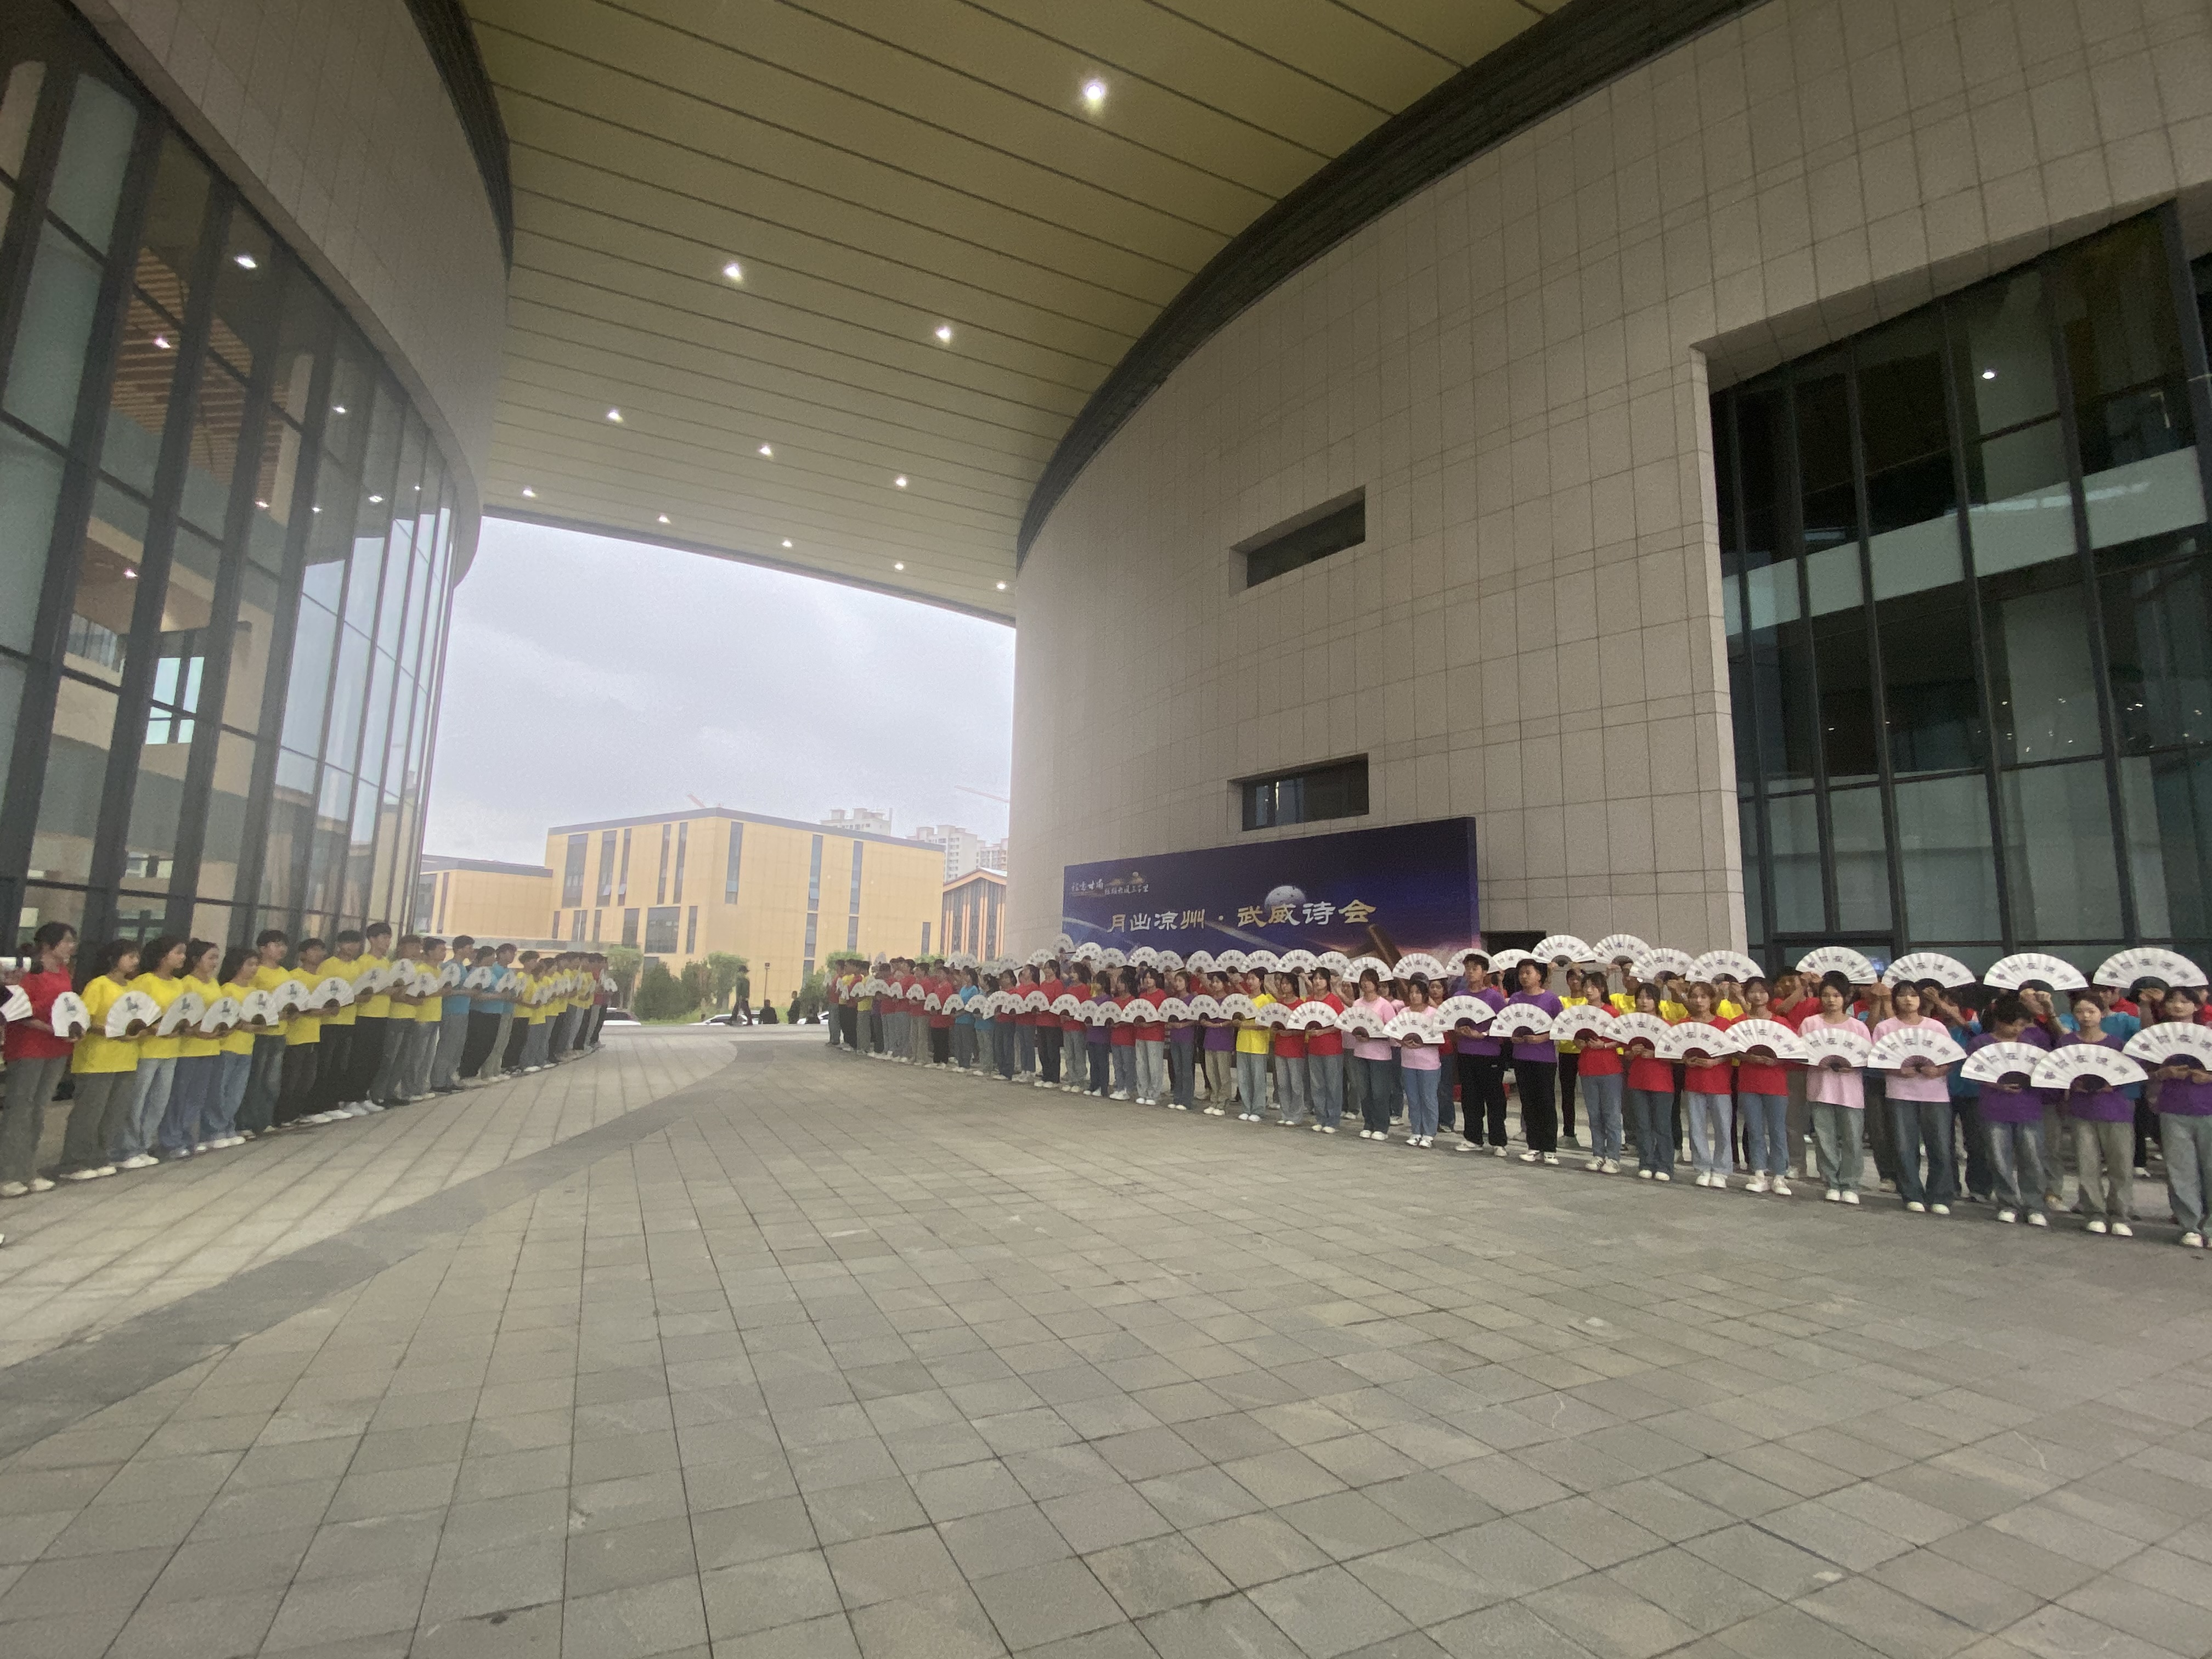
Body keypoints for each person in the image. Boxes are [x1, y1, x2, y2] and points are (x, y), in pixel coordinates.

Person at [0, 922, 78, 1196]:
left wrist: (71, 1028)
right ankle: (8, 1174)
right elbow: (18, 1012)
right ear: (47, 944)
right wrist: (52, 1028)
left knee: (38, 1112)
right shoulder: (29, 972)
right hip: (28, 1048)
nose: (71, 946)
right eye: (67, 941)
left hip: (56, 1049)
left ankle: (28, 1170)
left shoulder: (64, 971)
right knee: (20, 1111)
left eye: (73, 941)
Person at [56, 939, 142, 1180]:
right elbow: (84, 1021)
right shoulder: (98, 985)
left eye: (137, 957)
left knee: (114, 1113)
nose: (135, 961)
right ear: (114, 959)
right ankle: (74, 1162)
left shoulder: (133, 988)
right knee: (89, 1113)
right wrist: (112, 1031)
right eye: (130, 956)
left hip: (126, 1058)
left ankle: (100, 1156)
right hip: (98, 1059)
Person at [1966, 994, 2050, 1227]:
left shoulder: (2030, 1044)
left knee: (2032, 1159)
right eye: (2014, 1024)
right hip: (1994, 1109)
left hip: (2029, 1108)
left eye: (2022, 1025)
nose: (2018, 1030)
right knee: (1999, 1159)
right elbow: (1972, 1073)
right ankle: (2007, 1203)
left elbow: (2043, 1073)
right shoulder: (1980, 1044)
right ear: (2000, 1021)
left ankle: (2034, 1206)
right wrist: (1996, 1085)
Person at [1874, 981, 1957, 1215]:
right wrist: (1898, 1070)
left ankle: (1940, 1196)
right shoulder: (1885, 1028)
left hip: (1935, 1094)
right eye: (1902, 996)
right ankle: (1911, 1194)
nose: (1908, 1000)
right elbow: (1879, 1060)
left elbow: (1950, 1058)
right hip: (1900, 1093)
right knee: (1904, 1146)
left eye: (1913, 995)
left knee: (1940, 1146)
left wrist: (1939, 1071)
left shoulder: (1936, 1027)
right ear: (1894, 1000)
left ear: (1921, 1000)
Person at [2061, 992, 2135, 1237]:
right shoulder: (2066, 1044)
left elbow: (2128, 1076)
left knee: (2121, 1165)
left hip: (2116, 1111)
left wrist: (2113, 1085)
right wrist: (2072, 1084)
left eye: (2091, 1011)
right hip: (2081, 1111)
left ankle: (2120, 1214)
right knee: (2087, 1164)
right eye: (2080, 1012)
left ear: (2102, 1013)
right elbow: (2059, 1073)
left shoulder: (2116, 1045)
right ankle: (2094, 1212)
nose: (2085, 1016)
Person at [117, 935, 191, 1166]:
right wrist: (151, 1028)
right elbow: (133, 1014)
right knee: (137, 1100)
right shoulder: (145, 981)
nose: (183, 957)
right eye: (178, 952)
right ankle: (128, 1148)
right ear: (162, 956)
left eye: (184, 953)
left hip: (171, 1049)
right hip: (147, 1050)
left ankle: (145, 1144)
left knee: (159, 1101)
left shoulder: (178, 984)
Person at [2148, 986, 2211, 1249]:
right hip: (2172, 1109)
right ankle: (2190, 1226)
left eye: (2185, 1001)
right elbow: (2141, 1070)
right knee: (2180, 1170)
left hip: (2208, 1109)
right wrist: (2162, 1074)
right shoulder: (2156, 1037)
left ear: (2197, 1006)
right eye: (2172, 1001)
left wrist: (2208, 1077)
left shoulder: (2208, 1033)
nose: (2178, 1005)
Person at [157, 939, 225, 1158]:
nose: (215, 962)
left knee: (197, 1098)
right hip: (188, 1049)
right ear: (197, 960)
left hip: (210, 1047)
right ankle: (171, 1140)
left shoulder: (213, 983)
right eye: (211, 957)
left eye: (217, 958)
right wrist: (196, 1030)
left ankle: (187, 1138)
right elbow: (181, 1017)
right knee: (179, 1097)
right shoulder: (187, 983)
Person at [1805, 978, 1871, 1204]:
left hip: (1850, 1091)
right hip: (1820, 1088)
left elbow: (1866, 1057)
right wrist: (1817, 1062)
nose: (1831, 1000)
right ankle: (1831, 1182)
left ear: (1846, 998)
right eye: (1826, 995)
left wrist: (1853, 1065)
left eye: (1836, 996)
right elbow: (1802, 1053)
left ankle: (1851, 1184)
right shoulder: (1810, 1024)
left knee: (1853, 1139)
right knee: (1824, 1138)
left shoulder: (1858, 1027)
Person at [1733, 978, 1791, 1195]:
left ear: (1770, 995)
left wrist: (1776, 1061)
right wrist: (1747, 1057)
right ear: (1746, 994)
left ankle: (1780, 1176)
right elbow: (1731, 1048)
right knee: (1754, 1130)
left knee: (1778, 1130)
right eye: (1753, 991)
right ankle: (1758, 1173)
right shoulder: (1739, 1022)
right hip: (1748, 1082)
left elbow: (1792, 1051)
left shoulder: (1781, 1023)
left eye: (1762, 992)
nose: (1758, 996)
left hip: (1776, 1083)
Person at [1505, 960, 1564, 1165]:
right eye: (1521, 973)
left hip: (1544, 1059)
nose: (1524, 976)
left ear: (1540, 975)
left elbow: (1561, 1027)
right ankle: (1533, 1146)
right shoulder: (1515, 999)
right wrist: (1513, 1037)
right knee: (1528, 1103)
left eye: (1528, 972)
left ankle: (1550, 1149)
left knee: (1546, 1103)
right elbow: (1508, 1025)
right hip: (1522, 1057)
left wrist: (1542, 1038)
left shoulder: (1551, 999)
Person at [1678, 980, 1734, 1188]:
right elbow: (1674, 1050)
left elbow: (1733, 1052)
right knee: (1696, 1127)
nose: (1699, 1001)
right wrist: (1686, 1060)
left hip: (1720, 1083)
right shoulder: (1684, 1025)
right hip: (1694, 1082)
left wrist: (1716, 1061)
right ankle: (1702, 1167)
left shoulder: (1724, 1024)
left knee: (1723, 1128)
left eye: (1703, 996)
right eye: (1694, 996)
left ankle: (1721, 1170)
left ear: (1712, 999)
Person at [1452, 955, 1509, 1154]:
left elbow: (1504, 1024)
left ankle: (1498, 1142)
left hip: (1489, 1054)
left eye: (1475, 968)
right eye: (1467, 968)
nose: (1470, 972)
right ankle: (1473, 1138)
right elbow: (1451, 1021)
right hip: (1466, 1053)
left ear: (1484, 972)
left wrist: (1482, 1034)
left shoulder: (1494, 997)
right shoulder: (1459, 996)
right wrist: (1458, 1030)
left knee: (1494, 1099)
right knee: (1470, 1098)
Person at [273, 938, 328, 1127]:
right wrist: (310, 1011)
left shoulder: (323, 979)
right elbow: (291, 1006)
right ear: (302, 954)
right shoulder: (293, 977)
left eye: (322, 950)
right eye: (314, 950)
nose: (319, 954)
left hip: (314, 1034)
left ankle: (297, 1113)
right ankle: (283, 1116)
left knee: (307, 1079)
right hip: (294, 1036)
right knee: (291, 1078)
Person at [1623, 983, 1675, 1181]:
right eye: (1640, 997)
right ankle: (1646, 1163)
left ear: (1657, 1001)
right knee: (1642, 1125)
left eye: (1648, 997)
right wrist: (1632, 1052)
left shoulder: (1667, 1026)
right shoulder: (1631, 1025)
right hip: (1637, 1080)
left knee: (1662, 1126)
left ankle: (1665, 1166)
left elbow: (1676, 1055)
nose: (1643, 1001)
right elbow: (1626, 1053)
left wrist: (1656, 1054)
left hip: (1661, 1082)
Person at [1573, 998, 1623, 1174]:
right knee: (1594, 1115)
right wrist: (1578, 1042)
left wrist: (1604, 1045)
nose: (1589, 990)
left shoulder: (1612, 1012)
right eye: (1587, 987)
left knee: (1612, 1115)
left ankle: (1614, 1157)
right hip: (1588, 1069)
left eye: (1593, 987)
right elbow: (1576, 1038)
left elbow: (1622, 1039)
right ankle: (1598, 1154)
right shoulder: (1581, 1014)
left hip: (1610, 1070)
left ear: (1601, 989)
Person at [1348, 970, 1400, 1139]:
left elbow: (1392, 1030)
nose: (1365, 984)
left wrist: (1373, 1036)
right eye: (1363, 980)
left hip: (1380, 1056)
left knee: (1379, 1092)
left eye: (1369, 981)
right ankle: (1368, 1123)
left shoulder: (1384, 1005)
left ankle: (1381, 1127)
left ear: (1376, 983)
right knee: (1365, 1091)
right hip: (1361, 1053)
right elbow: (1352, 1025)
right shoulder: (1357, 1004)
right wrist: (1356, 1034)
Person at [1397, 978, 1443, 1147]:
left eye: (1417, 992)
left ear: (1424, 995)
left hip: (1429, 1064)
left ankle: (1429, 1134)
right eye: (1411, 992)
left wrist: (1424, 1043)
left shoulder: (1433, 1014)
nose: (1414, 996)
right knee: (1413, 1099)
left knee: (1429, 1098)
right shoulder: (1403, 1013)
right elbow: (1396, 1034)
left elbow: (1440, 1038)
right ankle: (1416, 1131)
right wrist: (1403, 1042)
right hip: (1408, 1062)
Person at [1303, 968, 1346, 1133]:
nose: (1317, 981)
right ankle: (1320, 1118)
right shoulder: (1309, 1000)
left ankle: (1333, 1121)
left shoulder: (1334, 1001)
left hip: (1332, 1050)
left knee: (1333, 1086)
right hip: (1314, 1049)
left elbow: (1340, 1024)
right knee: (1317, 1085)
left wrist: (1323, 1032)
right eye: (1315, 978)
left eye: (1321, 979)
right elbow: (1303, 1021)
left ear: (1328, 981)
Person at [1267, 971, 1307, 1125]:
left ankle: (1296, 1116)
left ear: (1294, 985)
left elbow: (1304, 1028)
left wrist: (1290, 1032)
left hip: (1295, 1049)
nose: (1284, 986)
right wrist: (1275, 1029)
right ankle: (1285, 1114)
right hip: (1280, 1048)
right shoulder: (1279, 1004)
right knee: (1282, 1084)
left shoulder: (1301, 1005)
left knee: (1296, 1084)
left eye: (1287, 983)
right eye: (1282, 983)